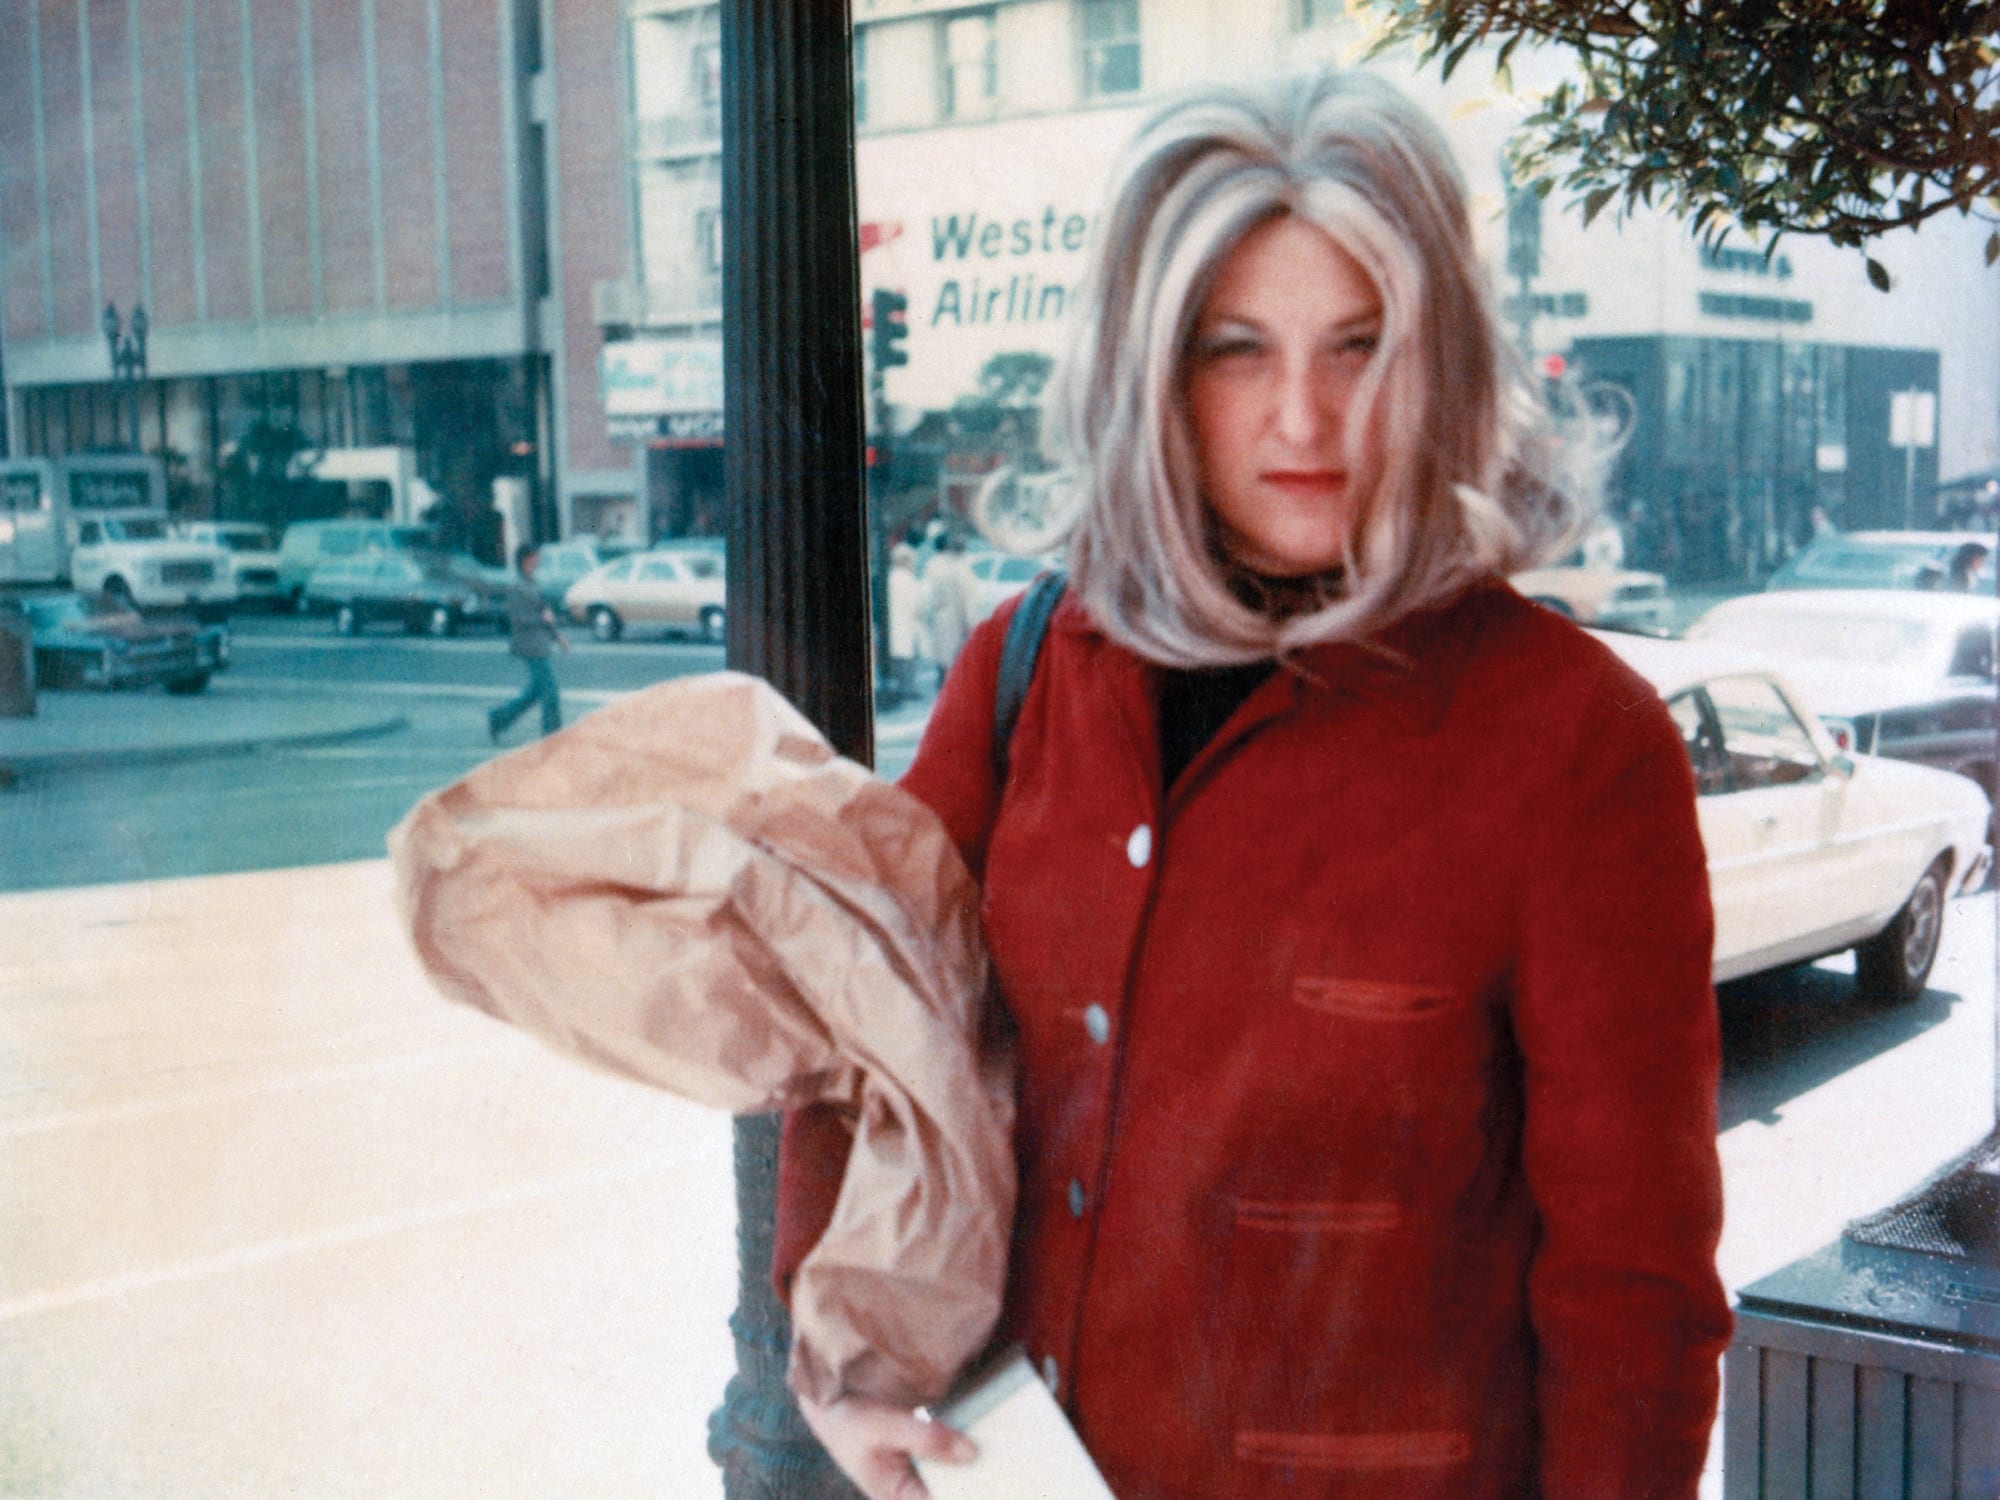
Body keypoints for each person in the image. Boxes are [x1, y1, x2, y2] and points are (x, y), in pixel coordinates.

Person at [778, 71, 1729, 1500]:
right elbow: (866, 1021)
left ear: (1439, 361)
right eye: (1237, 351)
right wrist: (842, 1373)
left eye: (1359, 345)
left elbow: (1632, 1292)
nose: (1304, 418)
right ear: (1151, 373)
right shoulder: (1025, 672)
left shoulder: (1574, 742)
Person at [486, 544, 567, 741]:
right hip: (529, 646)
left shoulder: (531, 583)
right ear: (526, 559)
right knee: (551, 693)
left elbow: (544, 612)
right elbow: (518, 619)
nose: (539, 559)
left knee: (535, 692)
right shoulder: (517, 587)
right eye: (535, 556)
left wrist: (557, 636)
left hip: (540, 644)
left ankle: (498, 719)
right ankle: (552, 736)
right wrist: (543, 620)